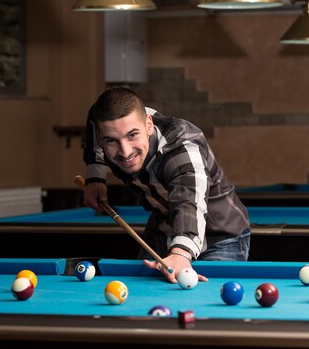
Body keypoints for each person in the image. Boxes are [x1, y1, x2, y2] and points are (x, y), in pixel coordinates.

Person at [81, 86, 251, 284]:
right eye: (111, 141)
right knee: (137, 293)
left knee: (207, 301)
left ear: (148, 125)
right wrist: (95, 177)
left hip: (220, 235)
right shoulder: (102, 120)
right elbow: (94, 119)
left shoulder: (183, 150)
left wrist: (181, 252)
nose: (125, 152)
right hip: (164, 228)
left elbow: (189, 204)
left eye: (132, 135)